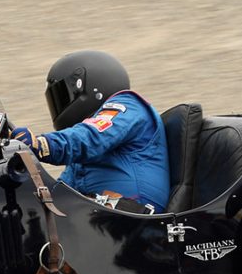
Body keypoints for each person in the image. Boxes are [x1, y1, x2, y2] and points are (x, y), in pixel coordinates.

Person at [10, 51, 169, 213]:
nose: (58, 104)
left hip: (132, 217)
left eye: (64, 95)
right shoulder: (79, 157)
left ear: (91, 87)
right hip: (99, 219)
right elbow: (61, 191)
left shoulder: (127, 105)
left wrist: (41, 144)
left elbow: (91, 137)